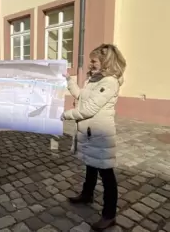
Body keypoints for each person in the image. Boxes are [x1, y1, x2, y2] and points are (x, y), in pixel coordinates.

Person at [61, 43, 126, 232]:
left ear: (106, 61)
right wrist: (68, 80)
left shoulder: (110, 82)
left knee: (106, 173)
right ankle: (87, 194)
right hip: (90, 133)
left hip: (100, 134)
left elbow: (88, 109)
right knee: (90, 164)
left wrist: (65, 115)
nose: (91, 64)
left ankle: (109, 215)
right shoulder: (95, 79)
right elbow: (82, 97)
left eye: (94, 61)